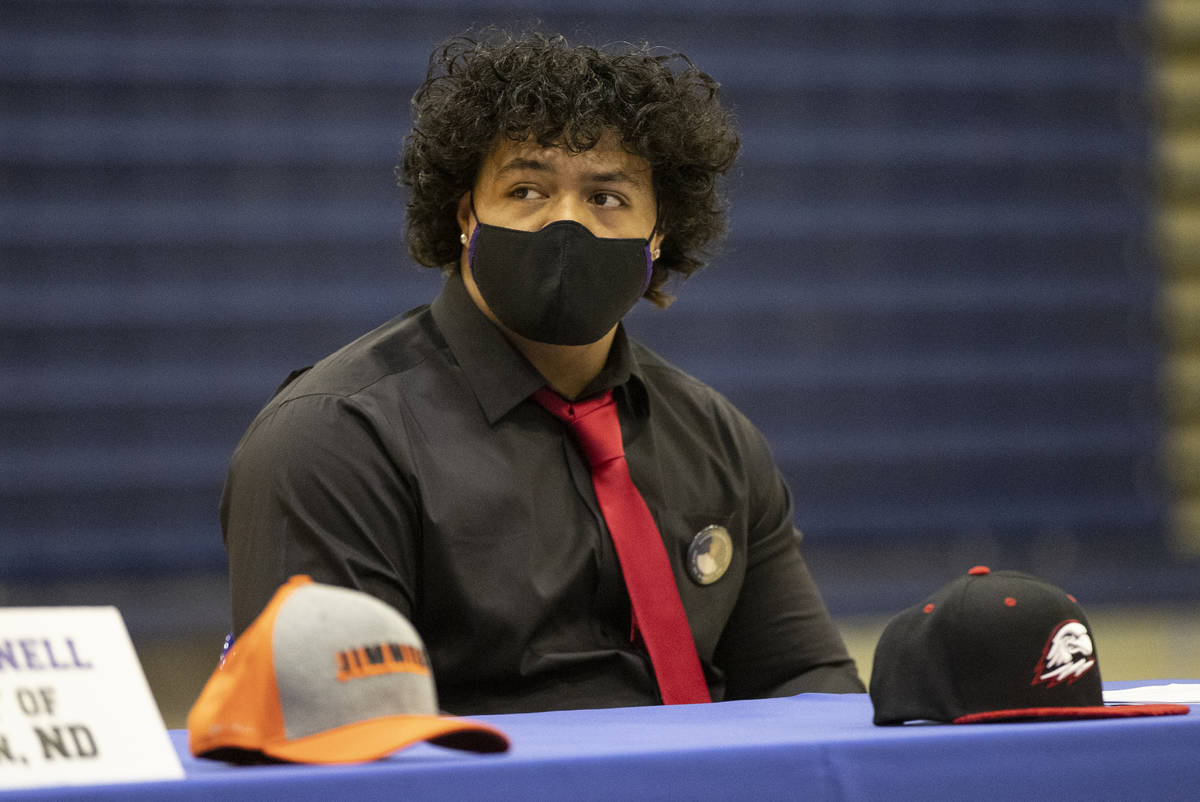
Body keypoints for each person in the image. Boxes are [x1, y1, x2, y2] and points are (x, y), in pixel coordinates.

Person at [220, 30, 864, 714]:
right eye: (526, 188)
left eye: (607, 198)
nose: (566, 224)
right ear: (467, 213)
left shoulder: (718, 441)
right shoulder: (336, 441)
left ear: (658, 234)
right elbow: (331, 739)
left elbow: (808, 693)